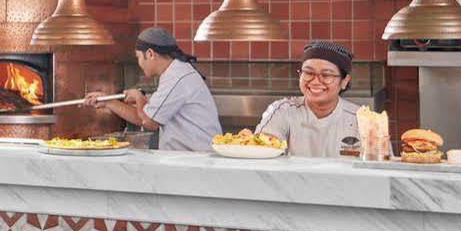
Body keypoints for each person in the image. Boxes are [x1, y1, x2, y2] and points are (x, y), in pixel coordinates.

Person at [84, 26, 222, 151]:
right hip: (189, 158)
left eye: (138, 57)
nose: (139, 63)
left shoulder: (176, 77)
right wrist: (108, 102)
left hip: (196, 159)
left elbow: (149, 122)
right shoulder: (175, 72)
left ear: (150, 54)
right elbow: (143, 116)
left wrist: (138, 97)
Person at [256, 42, 365, 157]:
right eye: (308, 73)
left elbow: (375, 164)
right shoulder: (283, 111)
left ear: (344, 81)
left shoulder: (361, 119)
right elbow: (261, 152)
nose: (315, 81)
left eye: (326, 75)